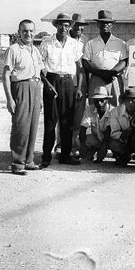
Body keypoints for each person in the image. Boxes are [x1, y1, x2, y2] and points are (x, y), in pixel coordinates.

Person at [39, 13, 84, 168]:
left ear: (70, 27)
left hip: (68, 83)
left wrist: (78, 88)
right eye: (60, 25)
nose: (63, 28)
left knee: (67, 122)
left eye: (66, 25)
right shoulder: (46, 43)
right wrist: (47, 84)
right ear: (56, 26)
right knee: (50, 122)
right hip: (51, 82)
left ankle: (65, 155)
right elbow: (38, 68)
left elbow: (80, 68)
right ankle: (46, 157)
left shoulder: (75, 44)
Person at [2, 19, 44, 175]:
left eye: (31, 31)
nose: (28, 34)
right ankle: (18, 163)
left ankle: (29, 160)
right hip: (20, 87)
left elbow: (40, 74)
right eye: (25, 31)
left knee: (33, 127)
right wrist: (9, 99)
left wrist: (39, 97)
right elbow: (5, 76)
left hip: (35, 87)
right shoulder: (13, 49)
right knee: (21, 127)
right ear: (19, 32)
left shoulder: (35, 50)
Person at [82, 10, 127, 106]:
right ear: (98, 24)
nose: (105, 25)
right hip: (96, 78)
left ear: (112, 25)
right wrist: (101, 73)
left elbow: (123, 61)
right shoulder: (91, 43)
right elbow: (86, 62)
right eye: (102, 23)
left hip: (114, 78)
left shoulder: (120, 43)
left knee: (116, 106)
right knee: (95, 107)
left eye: (107, 23)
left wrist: (111, 73)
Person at [109, 87, 135, 168]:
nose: (131, 102)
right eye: (128, 100)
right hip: (124, 139)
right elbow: (114, 133)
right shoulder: (115, 112)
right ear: (124, 101)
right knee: (114, 144)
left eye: (134, 100)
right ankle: (124, 156)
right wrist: (127, 135)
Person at [70, 13, 89, 155]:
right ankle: (61, 145)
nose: (79, 28)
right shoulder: (64, 38)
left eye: (81, 25)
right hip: (67, 81)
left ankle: (74, 146)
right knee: (64, 115)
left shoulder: (85, 41)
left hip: (81, 83)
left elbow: (84, 65)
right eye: (76, 24)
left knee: (78, 116)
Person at [78, 85, 113, 163]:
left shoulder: (112, 111)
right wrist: (82, 145)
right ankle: (91, 151)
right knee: (80, 139)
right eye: (96, 100)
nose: (99, 103)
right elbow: (83, 128)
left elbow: (109, 130)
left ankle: (117, 155)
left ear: (107, 100)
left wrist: (104, 147)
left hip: (109, 140)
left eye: (102, 100)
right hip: (97, 139)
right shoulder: (90, 109)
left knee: (115, 144)